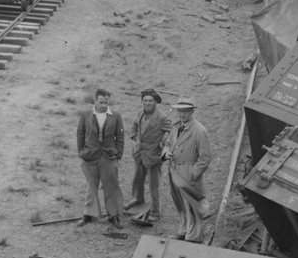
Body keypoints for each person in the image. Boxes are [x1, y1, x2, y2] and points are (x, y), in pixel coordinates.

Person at [162, 97, 212, 243]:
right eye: (179, 111)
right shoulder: (176, 127)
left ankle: (194, 236)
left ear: (192, 112)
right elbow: (167, 143)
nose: (182, 114)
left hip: (188, 173)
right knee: (180, 203)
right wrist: (166, 153)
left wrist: (193, 173)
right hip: (174, 171)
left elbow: (205, 158)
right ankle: (184, 231)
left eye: (185, 111)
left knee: (192, 205)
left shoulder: (199, 130)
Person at [76, 88, 126, 229]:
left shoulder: (115, 116)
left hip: (108, 156)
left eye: (106, 102)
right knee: (91, 186)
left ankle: (113, 216)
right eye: (101, 102)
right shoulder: (86, 115)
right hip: (90, 156)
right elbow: (80, 134)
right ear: (95, 101)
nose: (104, 105)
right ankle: (88, 214)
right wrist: (81, 152)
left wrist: (118, 154)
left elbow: (120, 137)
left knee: (111, 185)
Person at [126, 89, 172, 223]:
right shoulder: (140, 112)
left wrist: (162, 144)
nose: (147, 103)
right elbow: (134, 124)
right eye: (145, 100)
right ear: (142, 101)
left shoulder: (162, 117)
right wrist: (135, 137)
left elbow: (173, 132)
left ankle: (155, 211)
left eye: (150, 101)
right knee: (137, 179)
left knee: (153, 186)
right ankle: (137, 200)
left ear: (156, 102)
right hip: (139, 153)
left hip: (153, 156)